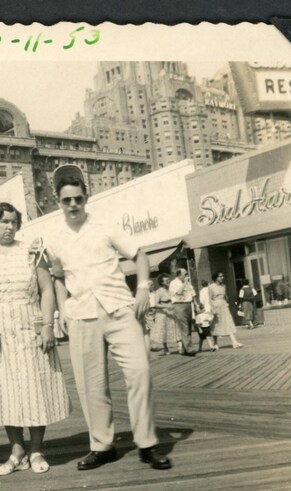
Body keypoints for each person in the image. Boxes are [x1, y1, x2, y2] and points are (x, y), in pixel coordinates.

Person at [47, 164, 171, 471]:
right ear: (58, 202)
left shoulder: (106, 226)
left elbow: (140, 256)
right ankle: (102, 446)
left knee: (140, 372)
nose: (73, 205)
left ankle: (147, 443)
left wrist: (143, 289)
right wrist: (61, 311)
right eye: (67, 200)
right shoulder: (54, 239)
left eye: (78, 198)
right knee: (91, 385)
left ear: (86, 197)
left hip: (119, 310)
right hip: (82, 316)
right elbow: (58, 278)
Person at [0, 202, 71, 476]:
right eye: (3, 222)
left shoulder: (31, 252)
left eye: (13, 221)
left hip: (29, 326)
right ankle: (16, 451)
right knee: (5, 391)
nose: (9, 227)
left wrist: (47, 325)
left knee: (35, 387)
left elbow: (47, 290)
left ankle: (36, 449)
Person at [208, 272, 243, 349]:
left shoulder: (223, 286)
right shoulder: (211, 287)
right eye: (220, 276)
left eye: (222, 276)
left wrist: (226, 301)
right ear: (216, 278)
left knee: (228, 322)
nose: (222, 278)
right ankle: (215, 343)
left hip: (224, 306)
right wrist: (213, 309)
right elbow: (210, 299)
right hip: (216, 306)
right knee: (216, 324)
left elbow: (225, 296)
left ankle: (234, 342)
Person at [168, 268, 197, 356]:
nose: (187, 276)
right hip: (179, 305)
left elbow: (192, 294)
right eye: (185, 274)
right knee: (184, 327)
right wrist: (185, 283)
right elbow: (179, 292)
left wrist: (197, 305)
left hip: (188, 304)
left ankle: (185, 349)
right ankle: (189, 349)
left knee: (188, 327)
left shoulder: (187, 283)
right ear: (179, 275)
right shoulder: (174, 283)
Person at [149, 273, 180, 355]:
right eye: (166, 281)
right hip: (162, 314)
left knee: (175, 329)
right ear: (162, 282)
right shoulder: (159, 291)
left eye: (169, 280)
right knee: (164, 331)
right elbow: (155, 304)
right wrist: (167, 306)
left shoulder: (171, 289)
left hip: (172, 313)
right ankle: (165, 348)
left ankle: (180, 346)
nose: (168, 282)